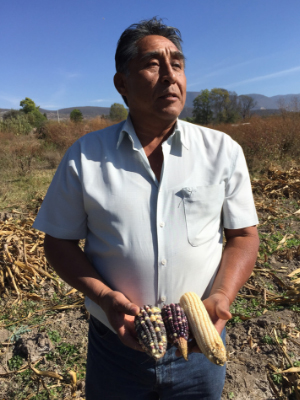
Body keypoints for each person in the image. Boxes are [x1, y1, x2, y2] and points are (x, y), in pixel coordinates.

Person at [33, 17, 259, 400]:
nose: (171, 76)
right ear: (122, 82)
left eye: (178, 63)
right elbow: (58, 243)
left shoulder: (222, 151)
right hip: (116, 350)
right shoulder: (84, 157)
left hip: (200, 350)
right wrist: (104, 297)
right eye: (154, 64)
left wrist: (222, 295)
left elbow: (242, 235)